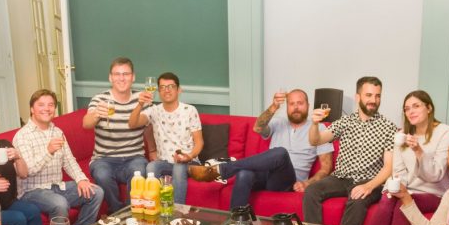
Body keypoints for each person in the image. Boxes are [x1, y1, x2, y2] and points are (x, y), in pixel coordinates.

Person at [361, 91, 449, 225]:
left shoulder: (445, 131)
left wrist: (418, 150)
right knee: (388, 199)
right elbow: (398, 169)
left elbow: (435, 175)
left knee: (404, 200)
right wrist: (397, 186)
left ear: (429, 108)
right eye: (407, 108)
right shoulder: (401, 135)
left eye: (416, 106)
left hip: (433, 192)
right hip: (408, 188)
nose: (410, 111)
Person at [187, 89, 334, 209]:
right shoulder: (278, 122)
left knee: (281, 153)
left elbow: (326, 167)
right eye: (291, 104)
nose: (295, 107)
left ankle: (224, 169)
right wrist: (273, 107)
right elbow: (257, 127)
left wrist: (307, 184)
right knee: (244, 174)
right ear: (287, 107)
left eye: (300, 103)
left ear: (308, 105)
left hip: (288, 181)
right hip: (265, 175)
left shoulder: (319, 128)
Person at [302, 76, 399, 225]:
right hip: (341, 178)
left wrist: (369, 186)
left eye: (377, 95)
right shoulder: (345, 122)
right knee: (311, 191)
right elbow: (316, 140)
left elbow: (389, 167)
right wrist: (314, 124)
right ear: (357, 97)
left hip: (368, 180)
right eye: (368, 95)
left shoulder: (388, 127)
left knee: (357, 199)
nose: (373, 100)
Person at [14, 89, 104, 225]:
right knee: (60, 204)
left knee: (96, 192)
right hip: (32, 191)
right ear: (32, 109)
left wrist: (81, 179)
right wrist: (48, 151)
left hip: (57, 186)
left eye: (51, 105)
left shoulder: (57, 132)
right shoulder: (22, 136)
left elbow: (68, 160)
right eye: (41, 105)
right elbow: (28, 171)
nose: (47, 109)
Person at [83, 57, 148, 212]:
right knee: (102, 174)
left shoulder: (142, 99)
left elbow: (149, 125)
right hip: (104, 158)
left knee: (140, 170)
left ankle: (133, 211)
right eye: (117, 74)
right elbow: (86, 124)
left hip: (134, 157)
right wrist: (97, 114)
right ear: (110, 77)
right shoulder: (100, 99)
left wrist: (152, 152)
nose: (121, 78)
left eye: (126, 74)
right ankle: (118, 212)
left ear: (133, 77)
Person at [128, 71, 204, 204]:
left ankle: (177, 213)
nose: (166, 90)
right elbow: (132, 123)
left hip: (189, 161)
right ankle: (156, 208)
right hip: (165, 161)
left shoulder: (190, 110)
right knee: (151, 167)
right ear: (158, 91)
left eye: (171, 86)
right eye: (162, 87)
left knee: (179, 167)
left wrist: (189, 156)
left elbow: (199, 142)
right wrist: (140, 104)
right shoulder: (154, 110)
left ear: (179, 90)